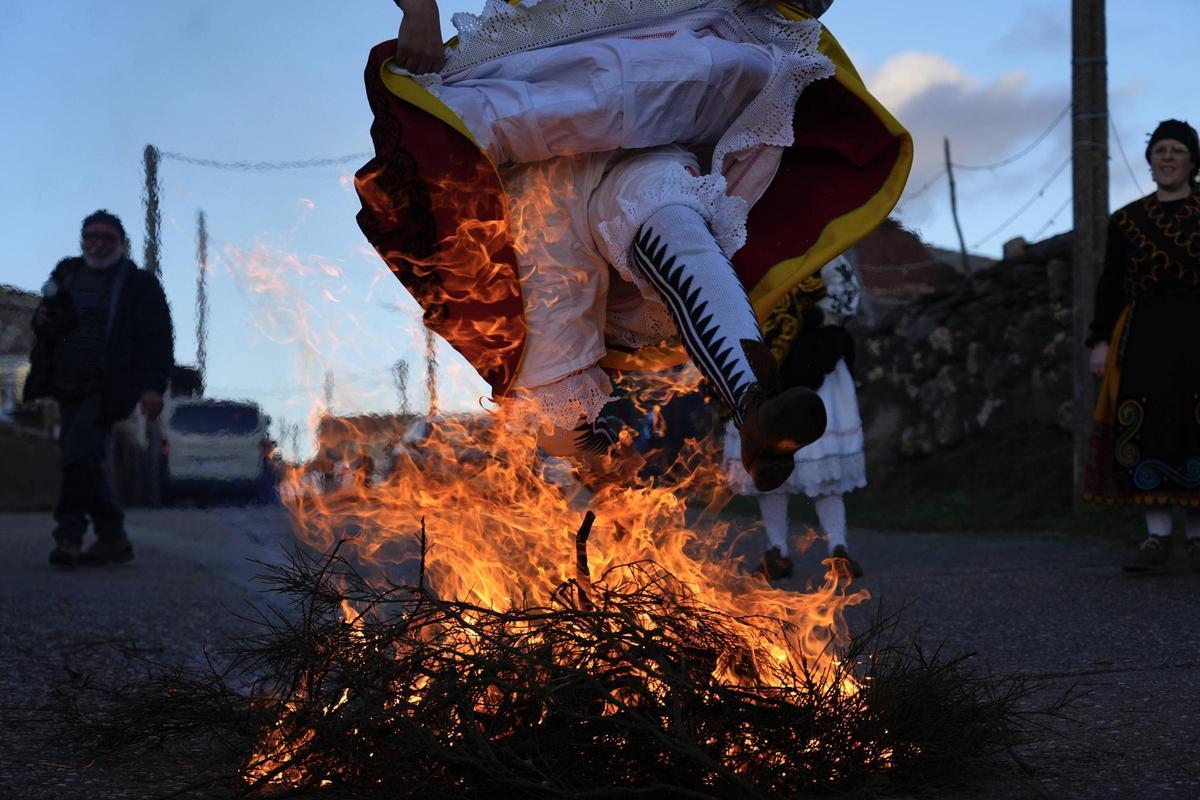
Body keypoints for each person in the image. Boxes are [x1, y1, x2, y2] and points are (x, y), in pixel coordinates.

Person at [357, 0, 911, 487]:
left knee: (672, 216)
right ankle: (599, 480)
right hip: (536, 163)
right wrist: (418, 4)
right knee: (553, 387)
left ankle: (755, 404)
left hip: (651, 100)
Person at [25, 210, 174, 567]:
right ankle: (113, 538)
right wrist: (45, 320)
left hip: (108, 385)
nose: (98, 243)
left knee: (78, 457)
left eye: (107, 237)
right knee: (85, 458)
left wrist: (154, 388)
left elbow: (158, 338)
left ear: (121, 243)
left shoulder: (139, 284)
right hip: (65, 382)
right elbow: (45, 321)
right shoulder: (68, 272)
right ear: (82, 240)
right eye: (91, 236)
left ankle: (69, 537)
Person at [1083, 119, 1200, 574]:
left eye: (1177, 150)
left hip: (1197, 331)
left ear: (1192, 161)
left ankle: (1197, 539)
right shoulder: (1127, 221)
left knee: (1194, 424)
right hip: (1145, 335)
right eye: (1159, 150)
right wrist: (1099, 340)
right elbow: (1110, 285)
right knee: (1146, 423)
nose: (1167, 157)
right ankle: (1156, 537)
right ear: (1150, 161)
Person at [724, 256, 866, 580]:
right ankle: (777, 551)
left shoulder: (828, 245)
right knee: (767, 455)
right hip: (764, 361)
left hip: (817, 359)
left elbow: (846, 299)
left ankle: (838, 549)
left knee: (824, 462)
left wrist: (807, 314)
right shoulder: (753, 244)